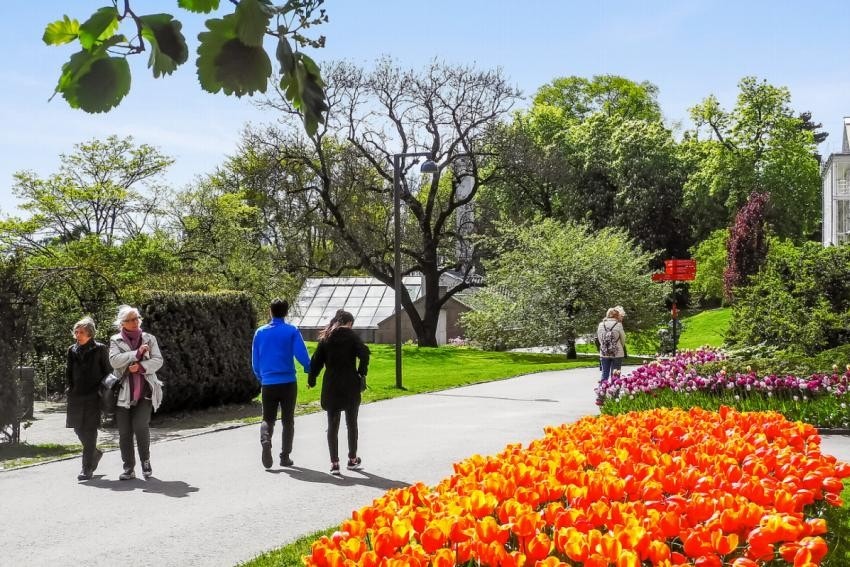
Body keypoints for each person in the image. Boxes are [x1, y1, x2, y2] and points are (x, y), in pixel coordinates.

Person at [307, 310, 370, 477]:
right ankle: (352, 458)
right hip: (350, 383)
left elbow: (316, 361)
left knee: (332, 425)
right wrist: (361, 371)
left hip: (331, 384)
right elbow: (364, 353)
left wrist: (312, 379)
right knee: (352, 423)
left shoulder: (326, 337)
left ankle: (334, 463)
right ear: (348, 323)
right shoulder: (351, 336)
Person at [252, 298, 311, 469]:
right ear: (286, 313)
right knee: (288, 420)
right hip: (288, 382)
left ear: (270, 311)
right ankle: (285, 456)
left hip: (268, 382)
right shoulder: (291, 331)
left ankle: (265, 440)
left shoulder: (260, 332)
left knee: (268, 418)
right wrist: (309, 370)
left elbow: (255, 360)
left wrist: (260, 376)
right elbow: (301, 355)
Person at [109, 305, 164, 480]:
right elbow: (114, 361)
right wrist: (136, 353)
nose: (134, 322)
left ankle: (145, 462)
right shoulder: (115, 340)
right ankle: (128, 468)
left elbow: (158, 361)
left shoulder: (149, 338)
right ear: (122, 323)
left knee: (141, 427)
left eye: (136, 319)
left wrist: (141, 367)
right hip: (123, 394)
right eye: (130, 320)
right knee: (124, 432)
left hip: (145, 392)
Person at [65, 316, 111, 481]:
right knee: (78, 428)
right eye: (76, 332)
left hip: (93, 396)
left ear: (90, 333)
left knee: (90, 431)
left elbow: (108, 373)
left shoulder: (100, 349)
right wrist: (69, 388)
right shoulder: (72, 350)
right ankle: (95, 453)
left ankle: (87, 468)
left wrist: (102, 391)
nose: (78, 335)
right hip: (76, 396)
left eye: (81, 332)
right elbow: (69, 372)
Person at [596, 305, 626, 382]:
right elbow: (623, 339)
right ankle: (614, 392)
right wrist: (619, 346)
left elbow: (600, 339)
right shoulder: (619, 325)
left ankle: (602, 392)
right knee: (615, 374)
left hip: (604, 352)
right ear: (617, 315)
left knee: (604, 373)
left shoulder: (601, 325)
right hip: (617, 352)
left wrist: (605, 346)